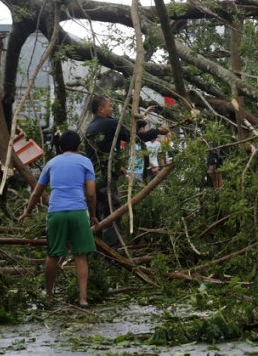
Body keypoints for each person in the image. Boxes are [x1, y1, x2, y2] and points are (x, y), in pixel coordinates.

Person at [18, 130, 97, 306]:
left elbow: (37, 192)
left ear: (60, 147)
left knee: (53, 255)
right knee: (80, 256)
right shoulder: (85, 162)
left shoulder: (51, 163)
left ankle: (49, 296)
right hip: (78, 211)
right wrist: (93, 215)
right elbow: (91, 194)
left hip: (56, 212)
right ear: (79, 146)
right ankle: (83, 298)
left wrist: (28, 211)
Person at [84, 95, 169, 247]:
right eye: (109, 106)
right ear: (101, 109)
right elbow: (136, 137)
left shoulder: (89, 128)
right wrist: (157, 131)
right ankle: (113, 254)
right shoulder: (110, 124)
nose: (112, 108)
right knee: (112, 213)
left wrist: (118, 167)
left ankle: (95, 251)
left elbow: (100, 154)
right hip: (106, 178)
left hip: (91, 179)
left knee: (96, 216)